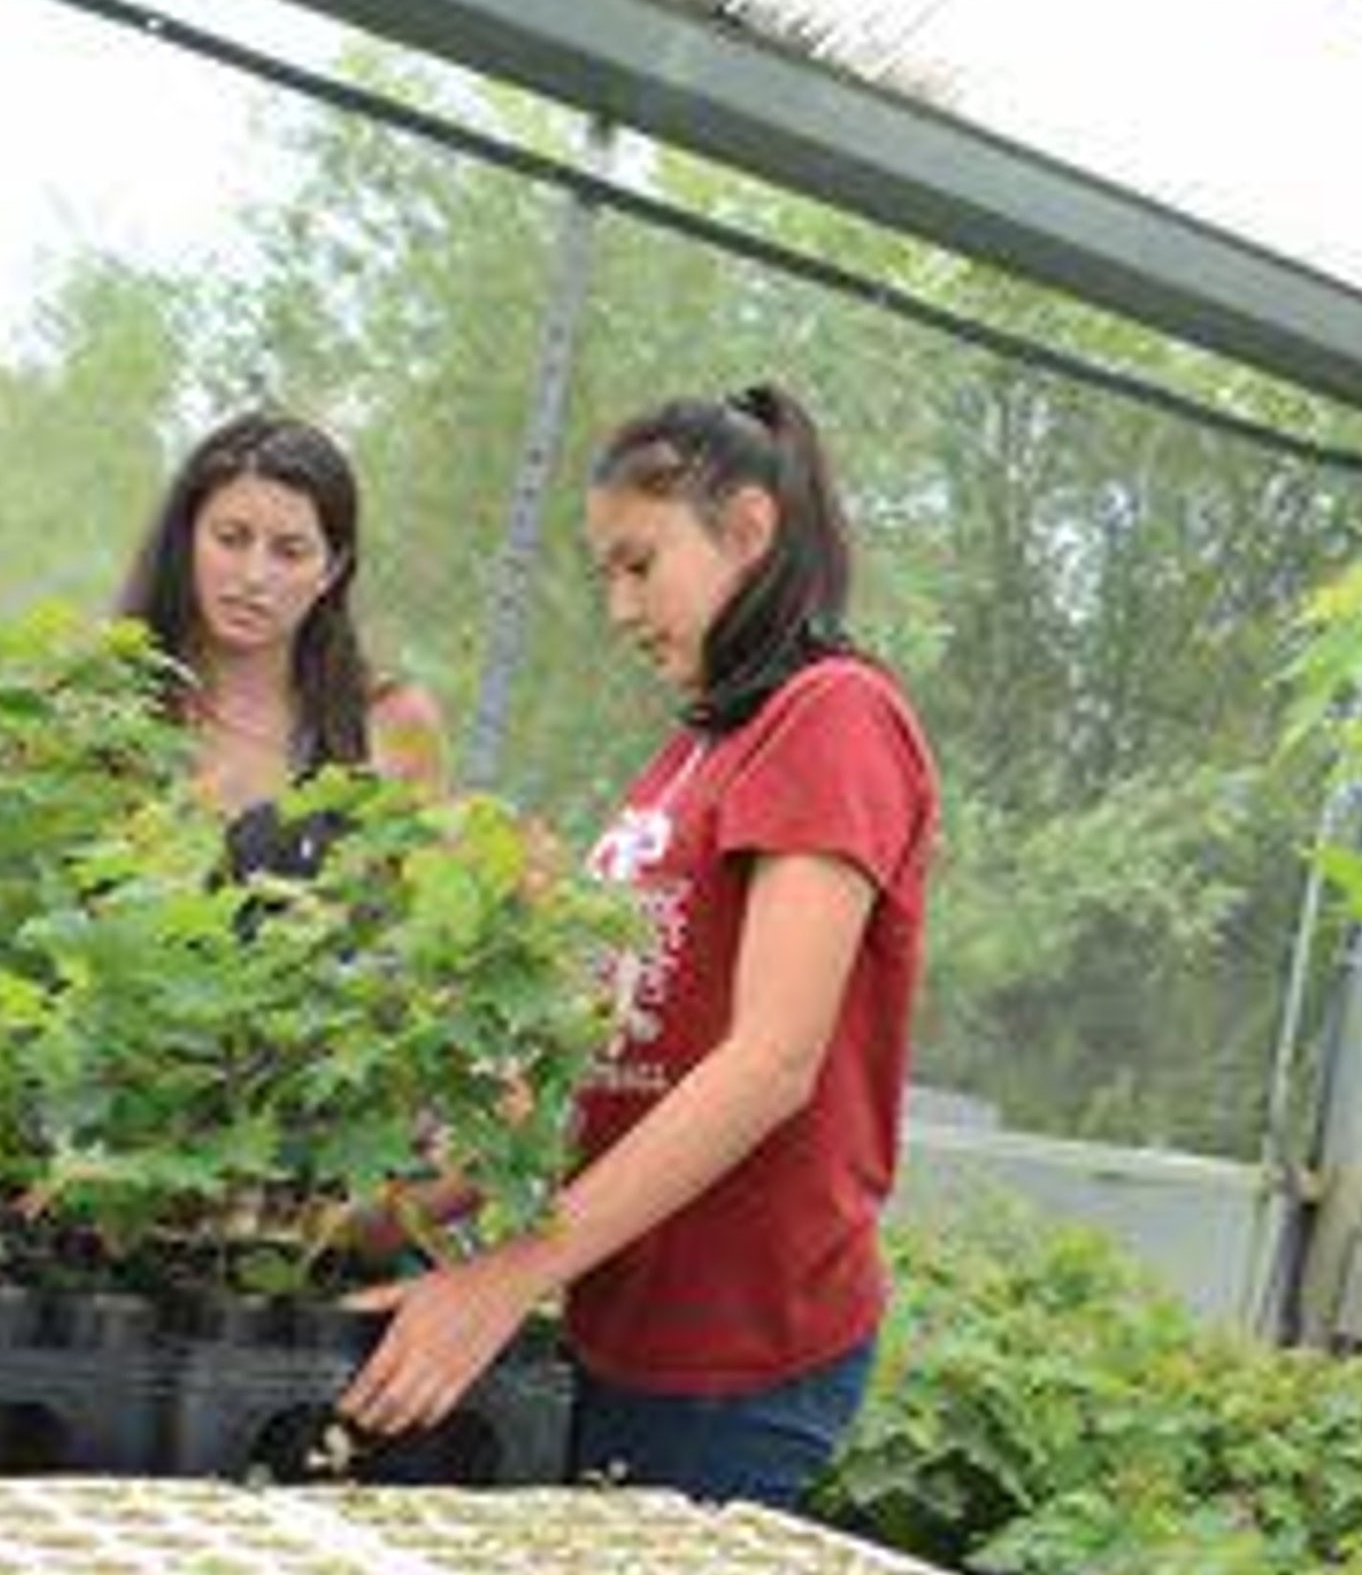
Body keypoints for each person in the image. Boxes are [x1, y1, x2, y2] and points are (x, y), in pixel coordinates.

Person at [335, 385, 937, 1510]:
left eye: (638, 562)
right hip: (628, 1315)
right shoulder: (695, 751)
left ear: (749, 529)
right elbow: (620, 1055)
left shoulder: (834, 716)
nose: (617, 605)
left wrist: (503, 1280)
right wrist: (408, 1212)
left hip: (738, 1354)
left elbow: (770, 1061)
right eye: (604, 571)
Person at [117, 410, 447, 871]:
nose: (254, 576)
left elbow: (420, 917)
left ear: (331, 569)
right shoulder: (105, 706)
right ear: (187, 537)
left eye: (289, 552)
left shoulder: (388, 719)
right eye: (231, 539)